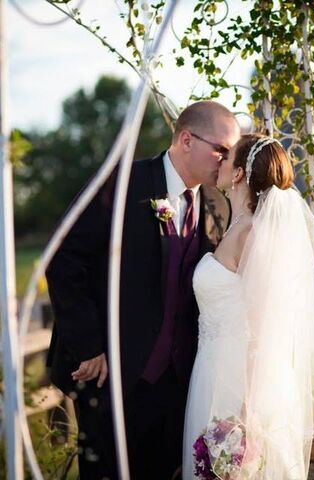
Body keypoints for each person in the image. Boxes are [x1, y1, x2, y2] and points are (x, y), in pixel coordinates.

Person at [45, 100, 241, 480]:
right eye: (221, 149)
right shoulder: (121, 184)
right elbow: (64, 257)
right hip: (112, 378)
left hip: (178, 387)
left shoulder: (217, 205)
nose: (226, 159)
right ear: (186, 140)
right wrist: (88, 345)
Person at [182, 134, 314, 479]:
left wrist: (246, 414)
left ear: (238, 173)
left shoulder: (252, 233)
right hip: (211, 370)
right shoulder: (235, 227)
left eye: (226, 158)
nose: (219, 162)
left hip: (238, 383)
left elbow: (267, 327)